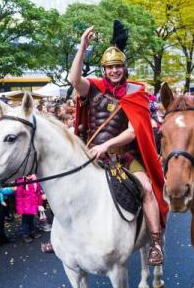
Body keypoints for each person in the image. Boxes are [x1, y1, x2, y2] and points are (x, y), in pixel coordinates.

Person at [70, 21, 168, 265]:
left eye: (118, 67)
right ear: (104, 69)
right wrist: (83, 47)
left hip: (124, 156)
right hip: (91, 153)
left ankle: (156, 243)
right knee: (66, 181)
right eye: (110, 67)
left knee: (146, 188)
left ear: (125, 68)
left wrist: (107, 145)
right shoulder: (93, 88)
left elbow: (135, 131)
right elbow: (74, 79)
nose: (114, 71)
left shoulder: (136, 92)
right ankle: (66, 234)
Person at [15, 174, 43, 243]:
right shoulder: (21, 182)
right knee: (25, 221)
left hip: (32, 205)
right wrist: (20, 209)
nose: (30, 176)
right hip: (25, 207)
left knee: (31, 219)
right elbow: (19, 197)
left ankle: (32, 232)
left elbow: (37, 193)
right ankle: (25, 235)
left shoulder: (34, 181)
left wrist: (39, 204)